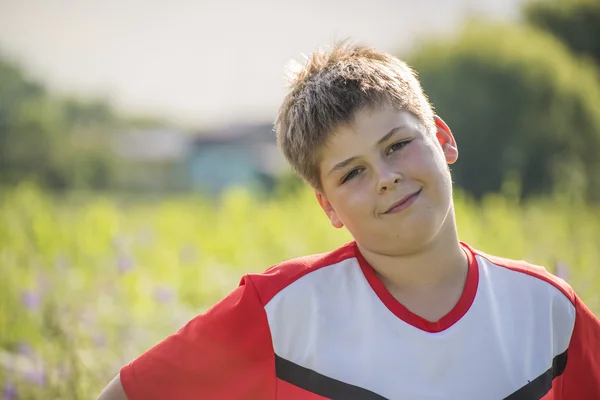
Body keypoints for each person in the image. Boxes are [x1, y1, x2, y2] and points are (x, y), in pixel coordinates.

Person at [98, 41, 600, 400]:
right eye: (353, 172)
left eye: (398, 145)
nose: (385, 177)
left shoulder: (548, 310)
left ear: (442, 137)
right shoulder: (280, 311)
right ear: (329, 207)